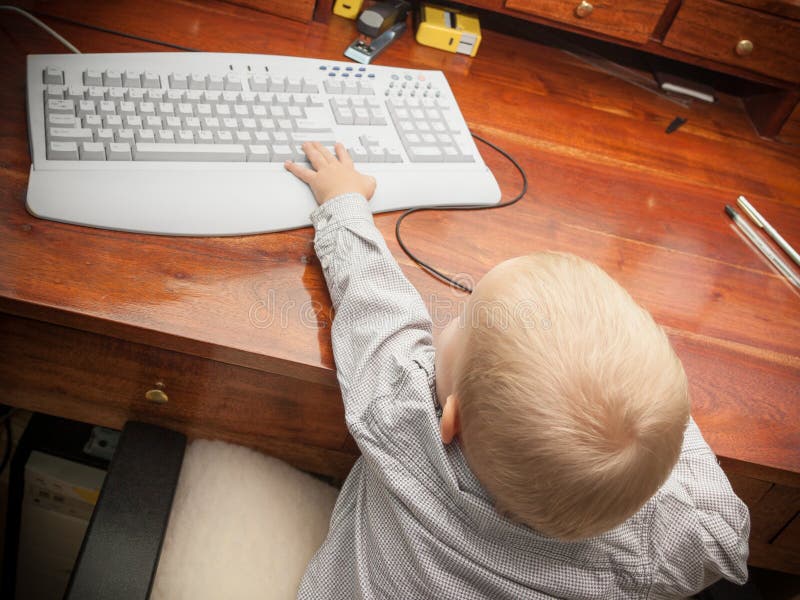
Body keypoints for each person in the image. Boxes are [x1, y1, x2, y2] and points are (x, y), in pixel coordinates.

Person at [284, 142, 750, 599]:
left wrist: (342, 201)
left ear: (451, 419)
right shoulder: (652, 548)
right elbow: (727, 535)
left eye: (464, 319)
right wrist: (661, 412)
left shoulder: (402, 413)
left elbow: (370, 295)